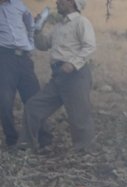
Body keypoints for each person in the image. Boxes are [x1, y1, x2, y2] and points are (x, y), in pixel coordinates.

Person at [23, 0, 95, 153]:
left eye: (62, 0)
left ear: (72, 3)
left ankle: (83, 154)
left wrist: (73, 64)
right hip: (58, 76)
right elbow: (43, 45)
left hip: (76, 75)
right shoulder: (59, 26)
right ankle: (25, 146)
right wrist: (37, 30)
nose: (57, 2)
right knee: (33, 107)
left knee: (79, 116)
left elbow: (89, 46)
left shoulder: (81, 22)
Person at [0, 0, 50, 149]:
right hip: (4, 58)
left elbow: (31, 26)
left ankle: (43, 138)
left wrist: (29, 46)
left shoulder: (18, 5)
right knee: (5, 101)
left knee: (34, 98)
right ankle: (12, 140)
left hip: (24, 58)